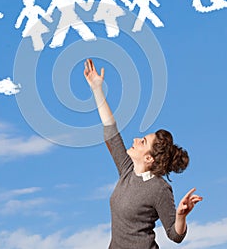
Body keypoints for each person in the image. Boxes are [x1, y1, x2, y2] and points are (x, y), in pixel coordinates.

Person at [83, 58, 202, 249]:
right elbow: (111, 129)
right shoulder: (127, 170)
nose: (136, 140)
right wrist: (97, 89)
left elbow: (175, 235)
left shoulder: (159, 189)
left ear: (148, 158)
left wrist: (181, 215)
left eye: (143, 142)